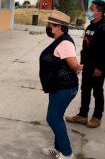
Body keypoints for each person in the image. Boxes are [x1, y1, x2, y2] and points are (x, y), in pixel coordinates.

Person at [39, 10, 83, 159]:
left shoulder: (65, 42)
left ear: (58, 27)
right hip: (58, 87)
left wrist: (77, 68)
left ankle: (67, 153)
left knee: (53, 118)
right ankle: (58, 148)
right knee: (57, 117)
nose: (48, 28)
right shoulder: (59, 40)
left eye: (49, 25)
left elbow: (73, 64)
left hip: (65, 88)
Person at [66, 0, 105, 128]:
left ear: (99, 12)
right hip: (87, 64)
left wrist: (101, 68)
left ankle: (97, 117)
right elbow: (86, 46)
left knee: (97, 91)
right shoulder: (90, 26)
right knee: (85, 89)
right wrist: (81, 64)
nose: (89, 11)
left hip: (98, 66)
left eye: (91, 9)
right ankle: (82, 115)